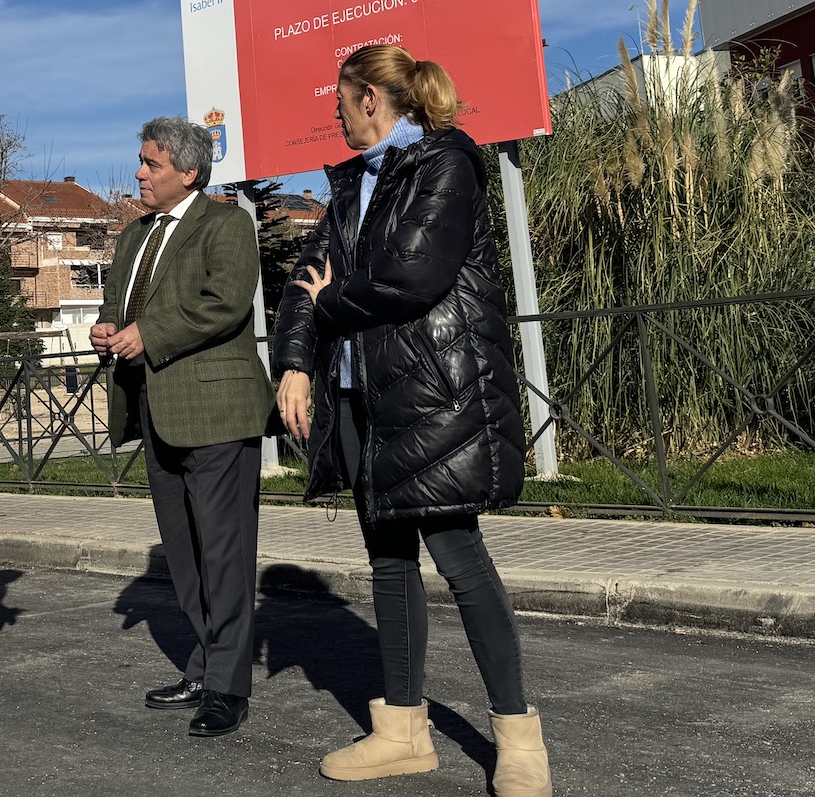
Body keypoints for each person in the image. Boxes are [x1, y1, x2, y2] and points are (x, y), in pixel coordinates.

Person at [271, 46, 551, 795]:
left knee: (461, 560)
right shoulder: (349, 187)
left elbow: (412, 277)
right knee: (389, 562)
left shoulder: (443, 163)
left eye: (338, 100)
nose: (331, 114)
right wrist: (296, 363)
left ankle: (518, 739)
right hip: (362, 392)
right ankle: (400, 729)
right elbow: (305, 280)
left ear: (369, 97)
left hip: (435, 391)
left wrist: (331, 299)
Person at [90, 117, 272, 739]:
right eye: (140, 161)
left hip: (217, 410)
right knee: (186, 554)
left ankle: (228, 686)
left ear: (188, 173)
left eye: (151, 164)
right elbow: (124, 302)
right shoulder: (134, 234)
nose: (138, 172)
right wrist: (108, 328)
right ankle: (203, 664)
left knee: (223, 551)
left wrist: (151, 334)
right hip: (155, 409)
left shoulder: (225, 224)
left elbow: (226, 303)